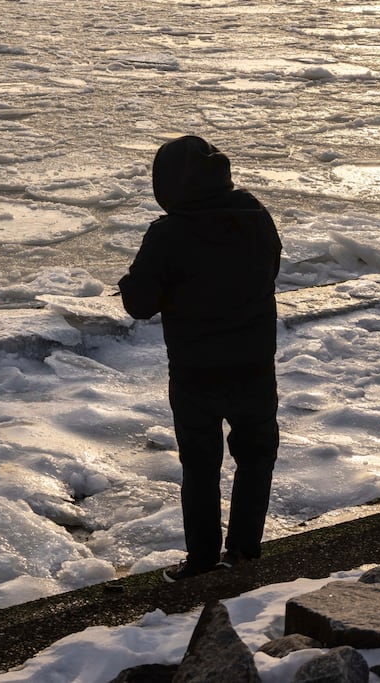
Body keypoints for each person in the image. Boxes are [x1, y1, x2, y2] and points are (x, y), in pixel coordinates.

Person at [118, 135, 282, 581]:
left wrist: (131, 281)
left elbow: (138, 304)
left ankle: (203, 560)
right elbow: (269, 272)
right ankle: (244, 551)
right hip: (254, 365)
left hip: (196, 372)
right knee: (255, 457)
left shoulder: (169, 233)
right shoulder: (257, 217)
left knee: (201, 466)